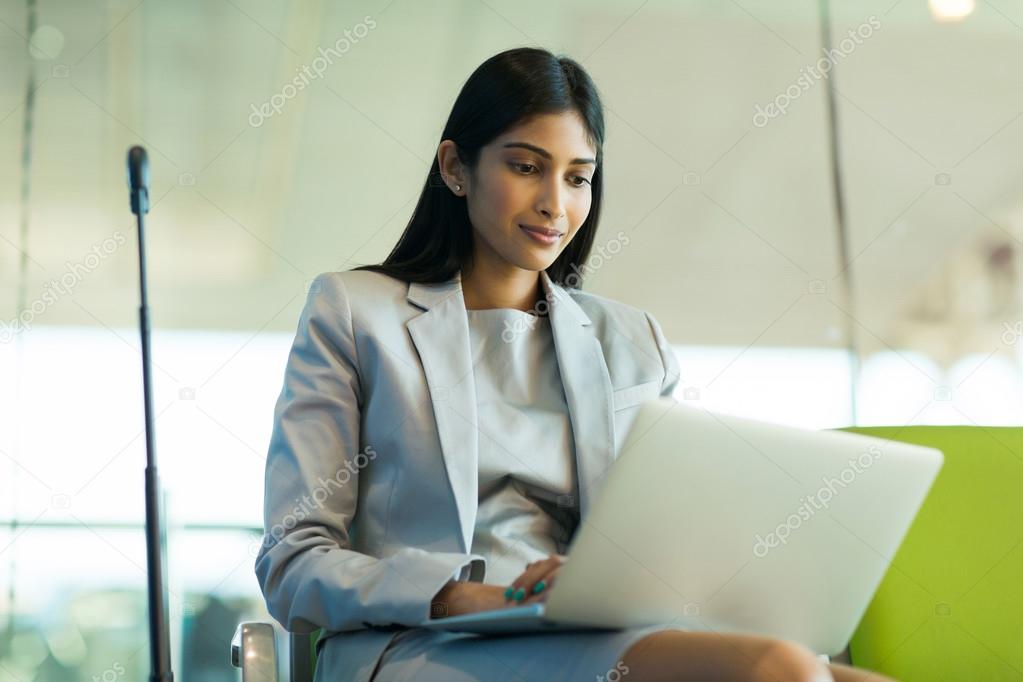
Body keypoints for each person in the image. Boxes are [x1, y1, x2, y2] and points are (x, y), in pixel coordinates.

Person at [255, 46, 896, 682]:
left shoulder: (633, 339)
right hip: (423, 646)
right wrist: (459, 595)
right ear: (455, 167)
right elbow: (293, 562)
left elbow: (670, 546)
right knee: (779, 670)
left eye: (577, 176)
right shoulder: (354, 312)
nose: (554, 204)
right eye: (527, 166)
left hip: (597, 636)